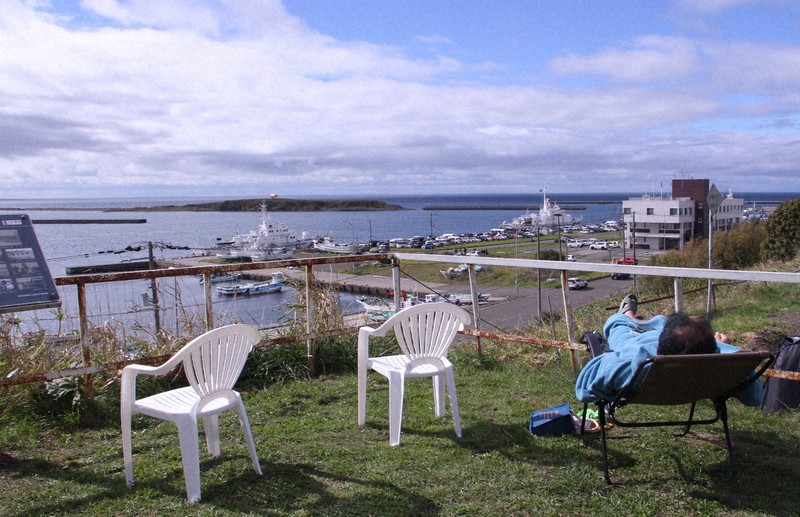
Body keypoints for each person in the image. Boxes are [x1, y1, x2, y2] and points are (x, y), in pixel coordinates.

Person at [575, 294, 764, 406]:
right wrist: (724, 346)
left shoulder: (633, 363)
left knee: (620, 330)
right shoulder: (731, 361)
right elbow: (754, 397)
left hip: (641, 345)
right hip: (697, 382)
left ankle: (627, 315)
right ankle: (636, 319)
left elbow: (587, 387)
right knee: (660, 325)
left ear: (662, 343)